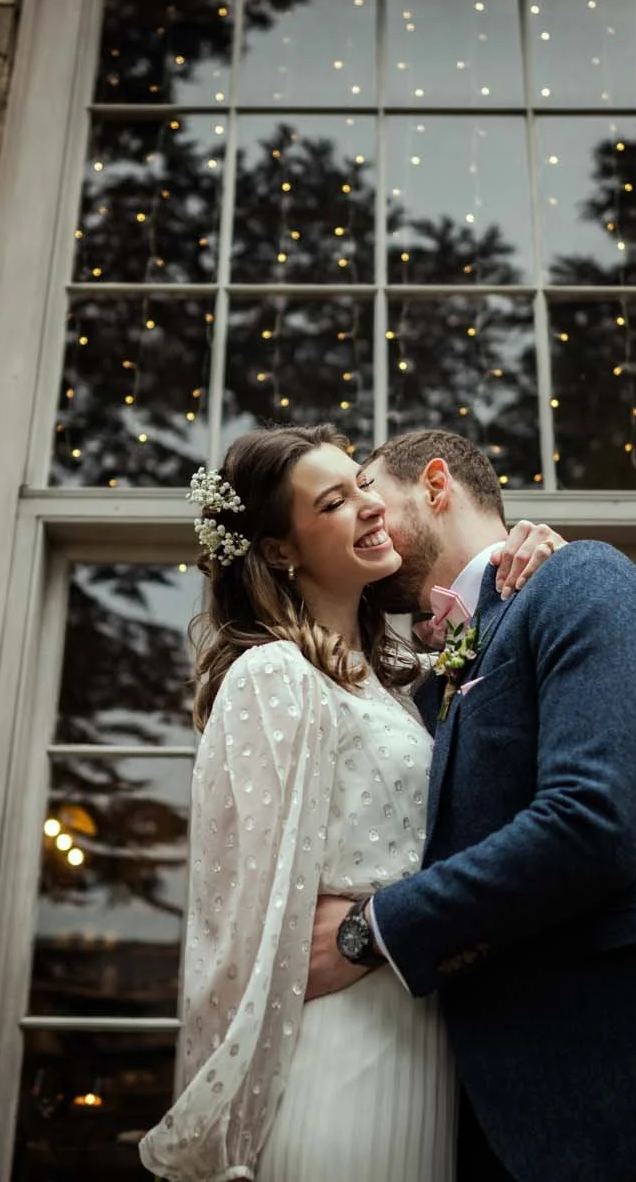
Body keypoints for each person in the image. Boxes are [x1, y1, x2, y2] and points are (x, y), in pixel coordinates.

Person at [302, 429, 636, 1182]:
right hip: (504, 1109)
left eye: (369, 488)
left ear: (436, 484)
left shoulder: (584, 579)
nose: (360, 512)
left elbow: (590, 822)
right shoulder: (428, 686)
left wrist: (371, 928)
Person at [137, 424, 563, 1182]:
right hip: (340, 1038)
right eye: (334, 501)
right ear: (279, 550)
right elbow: (241, 925)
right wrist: (225, 1124)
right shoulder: (273, 675)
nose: (370, 507)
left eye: (363, 486)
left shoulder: (400, 681)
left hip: (423, 1029)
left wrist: (535, 557)